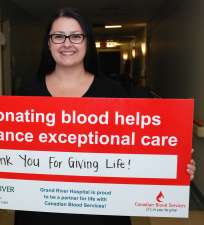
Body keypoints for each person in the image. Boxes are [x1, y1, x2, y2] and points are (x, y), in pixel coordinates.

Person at [16, 7, 196, 225]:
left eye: (76, 36)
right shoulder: (28, 91)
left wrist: (175, 167)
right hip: (41, 212)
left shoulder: (113, 92)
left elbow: (135, 149)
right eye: (58, 36)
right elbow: (10, 147)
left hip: (99, 213)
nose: (67, 43)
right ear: (48, 43)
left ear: (87, 42)